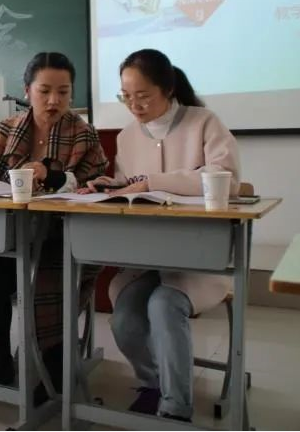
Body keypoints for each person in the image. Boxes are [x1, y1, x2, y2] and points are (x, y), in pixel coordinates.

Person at [84, 49, 240, 422]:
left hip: (199, 261)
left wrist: (151, 181)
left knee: (163, 305)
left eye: (143, 96)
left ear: (168, 89)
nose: (134, 106)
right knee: (125, 319)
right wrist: (113, 185)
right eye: (126, 96)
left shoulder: (204, 122)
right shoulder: (127, 136)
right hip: (148, 260)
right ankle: (154, 382)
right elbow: (130, 185)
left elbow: (226, 179)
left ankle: (176, 408)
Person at [0, 52, 108, 403]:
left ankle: (53, 370)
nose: (54, 100)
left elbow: (98, 184)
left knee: (46, 290)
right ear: (27, 91)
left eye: (63, 92)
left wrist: (53, 176)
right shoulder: (6, 129)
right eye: (44, 91)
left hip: (62, 241)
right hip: (13, 237)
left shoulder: (83, 134)